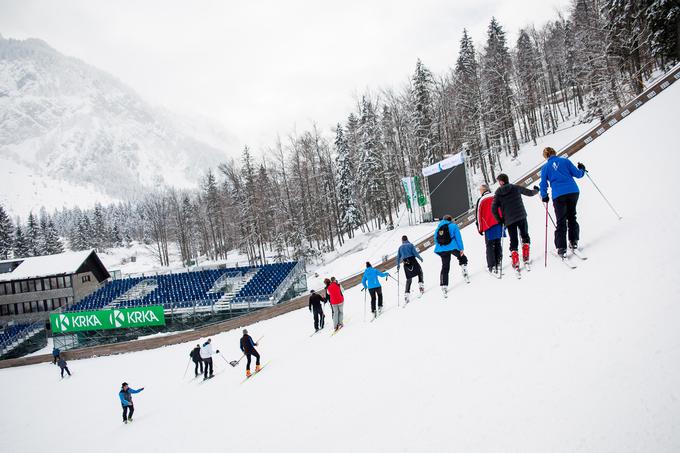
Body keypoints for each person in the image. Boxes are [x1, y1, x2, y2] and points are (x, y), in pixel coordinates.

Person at [539, 147, 587, 257]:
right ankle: (574, 242)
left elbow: (543, 184)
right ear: (555, 152)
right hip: (573, 192)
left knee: (561, 221)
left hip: (559, 195)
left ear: (545, 156)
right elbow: (578, 174)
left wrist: (544, 195)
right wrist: (582, 169)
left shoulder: (545, 167)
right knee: (572, 217)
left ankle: (561, 248)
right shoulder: (565, 161)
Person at [491, 173, 539, 271]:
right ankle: (525, 255)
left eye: (499, 181)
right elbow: (529, 193)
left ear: (502, 181)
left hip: (509, 220)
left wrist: (500, 220)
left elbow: (493, 209)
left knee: (513, 240)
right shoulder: (515, 187)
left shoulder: (498, 193)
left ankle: (515, 260)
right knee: (525, 235)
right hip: (521, 216)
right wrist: (536, 190)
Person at [433, 214, 468, 295]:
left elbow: (435, 239)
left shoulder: (438, 227)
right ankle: (464, 270)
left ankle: (444, 285)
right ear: (450, 219)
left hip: (441, 250)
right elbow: (458, 238)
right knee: (462, 257)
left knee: (445, 266)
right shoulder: (453, 226)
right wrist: (461, 249)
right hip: (452, 247)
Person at [475, 183, 504, 275]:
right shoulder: (496, 195)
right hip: (499, 223)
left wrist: (479, 228)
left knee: (489, 245)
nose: (480, 191)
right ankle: (498, 262)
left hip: (488, 225)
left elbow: (478, 216)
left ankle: (491, 265)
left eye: (480, 190)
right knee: (498, 242)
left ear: (484, 190)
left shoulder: (481, 200)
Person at [396, 236, 424, 304]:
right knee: (420, 272)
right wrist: (420, 258)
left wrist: (398, 265)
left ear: (402, 240)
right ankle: (421, 286)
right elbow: (415, 253)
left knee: (409, 278)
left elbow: (398, 257)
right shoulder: (410, 245)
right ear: (407, 239)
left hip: (405, 263)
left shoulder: (400, 248)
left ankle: (406, 295)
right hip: (413, 260)